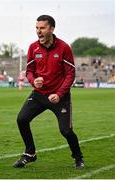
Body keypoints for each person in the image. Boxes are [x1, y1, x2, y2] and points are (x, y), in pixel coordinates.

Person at [13, 15, 84, 169]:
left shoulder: (64, 47)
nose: (38, 31)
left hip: (60, 97)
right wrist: (33, 81)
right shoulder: (33, 47)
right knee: (22, 119)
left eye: (42, 28)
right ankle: (30, 153)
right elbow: (29, 71)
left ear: (51, 29)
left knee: (66, 131)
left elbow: (70, 73)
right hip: (39, 95)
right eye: (37, 28)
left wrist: (59, 94)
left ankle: (78, 157)